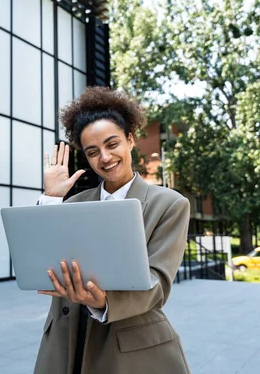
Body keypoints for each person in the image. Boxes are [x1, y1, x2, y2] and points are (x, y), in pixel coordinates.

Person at [34, 86, 191, 374]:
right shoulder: (73, 203)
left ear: (130, 140)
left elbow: (158, 283)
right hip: (65, 340)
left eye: (112, 144)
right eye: (93, 152)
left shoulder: (169, 204)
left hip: (129, 347)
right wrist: (52, 197)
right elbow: (39, 256)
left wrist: (104, 301)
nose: (105, 157)